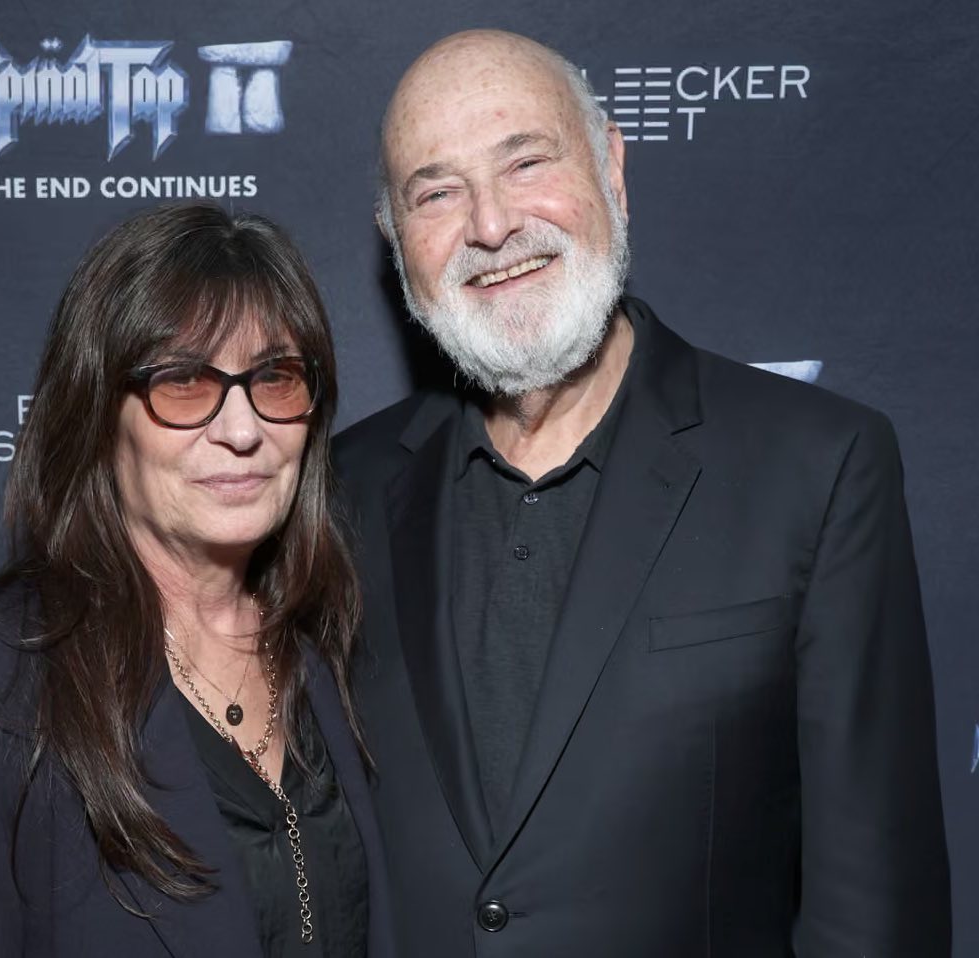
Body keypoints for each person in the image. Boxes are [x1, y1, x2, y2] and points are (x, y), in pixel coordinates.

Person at [334, 29, 950, 957]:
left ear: (611, 168)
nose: (492, 225)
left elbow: (875, 908)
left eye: (526, 162)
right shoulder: (340, 488)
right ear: (395, 239)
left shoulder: (817, 466)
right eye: (436, 192)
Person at [0, 203, 394, 957]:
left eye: (275, 378)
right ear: (97, 414)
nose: (243, 430)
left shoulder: (328, 643)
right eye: (183, 381)